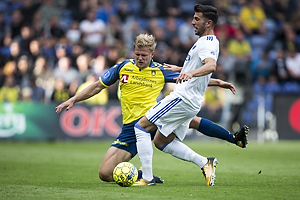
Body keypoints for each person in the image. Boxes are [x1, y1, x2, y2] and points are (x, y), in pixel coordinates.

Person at [55, 33, 248, 184]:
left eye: (144, 55)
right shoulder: (122, 68)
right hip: (129, 128)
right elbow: (97, 86)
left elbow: (190, 77)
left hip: (152, 118)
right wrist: (73, 99)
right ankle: (143, 175)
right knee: (105, 174)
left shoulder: (159, 71)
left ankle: (231, 138)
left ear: (152, 55)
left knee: (190, 120)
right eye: (137, 54)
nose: (140, 58)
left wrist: (218, 82)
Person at [133, 4, 246, 187]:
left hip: (182, 98)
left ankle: (147, 178)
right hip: (189, 101)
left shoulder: (207, 43)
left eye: (197, 19)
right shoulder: (206, 42)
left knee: (141, 127)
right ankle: (204, 163)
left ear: (208, 23)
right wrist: (184, 70)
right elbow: (202, 70)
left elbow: (210, 66)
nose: (192, 22)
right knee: (160, 141)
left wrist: (190, 73)